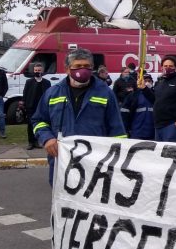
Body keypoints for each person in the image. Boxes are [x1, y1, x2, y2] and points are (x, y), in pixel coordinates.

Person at [31, 48, 126, 185]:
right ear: (68, 69)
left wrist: (119, 159)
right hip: (62, 162)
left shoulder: (105, 93)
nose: (83, 69)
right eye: (78, 66)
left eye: (87, 66)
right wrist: (47, 138)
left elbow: (117, 129)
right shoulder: (53, 93)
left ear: (92, 68)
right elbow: (38, 120)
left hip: (95, 164)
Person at [22, 62, 51, 150]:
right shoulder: (29, 82)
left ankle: (38, 141)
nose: (37, 72)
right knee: (30, 125)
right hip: (31, 106)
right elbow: (25, 93)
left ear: (42, 71)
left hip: (42, 107)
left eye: (39, 70)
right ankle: (31, 142)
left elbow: (49, 94)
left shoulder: (47, 82)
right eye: (35, 70)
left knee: (41, 124)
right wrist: (24, 104)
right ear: (33, 71)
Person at [120, 75, 156, 140]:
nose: (147, 83)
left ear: (152, 82)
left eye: (149, 81)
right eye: (145, 81)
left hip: (153, 132)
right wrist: (126, 129)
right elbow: (124, 113)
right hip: (137, 131)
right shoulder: (133, 95)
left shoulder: (156, 94)